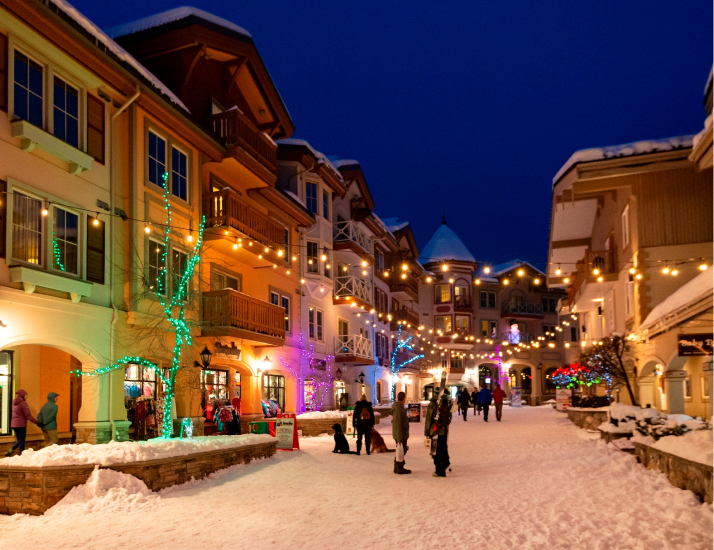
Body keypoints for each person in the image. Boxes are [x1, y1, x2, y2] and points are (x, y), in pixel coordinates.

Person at [5, 389, 38, 457]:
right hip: (21, 425)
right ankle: (22, 455)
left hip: (14, 425)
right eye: (25, 395)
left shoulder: (13, 403)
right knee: (21, 441)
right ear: (23, 396)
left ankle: (11, 449)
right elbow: (28, 415)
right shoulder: (23, 404)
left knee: (19, 440)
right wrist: (36, 422)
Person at [425, 393, 452, 477]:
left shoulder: (433, 404)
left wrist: (427, 432)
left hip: (435, 431)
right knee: (443, 448)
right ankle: (445, 464)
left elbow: (429, 419)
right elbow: (449, 418)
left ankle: (439, 471)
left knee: (436, 451)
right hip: (444, 431)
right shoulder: (446, 403)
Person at [391, 391, 411, 474]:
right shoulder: (399, 408)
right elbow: (398, 423)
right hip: (400, 434)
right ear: (403, 399)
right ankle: (399, 467)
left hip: (401, 433)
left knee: (401, 450)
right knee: (401, 450)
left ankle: (397, 467)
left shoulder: (399, 407)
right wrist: (399, 438)